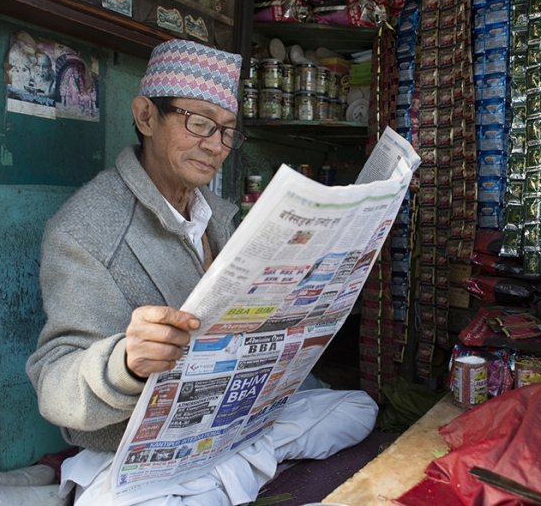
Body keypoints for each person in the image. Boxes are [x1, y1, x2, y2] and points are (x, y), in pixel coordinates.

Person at [26, 39, 377, 506]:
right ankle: (225, 478)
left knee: (357, 408)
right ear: (146, 116)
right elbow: (54, 385)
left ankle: (227, 474)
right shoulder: (84, 230)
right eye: (198, 124)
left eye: (228, 131)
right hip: (143, 450)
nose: (215, 146)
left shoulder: (218, 215)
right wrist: (125, 362)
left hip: (232, 424)